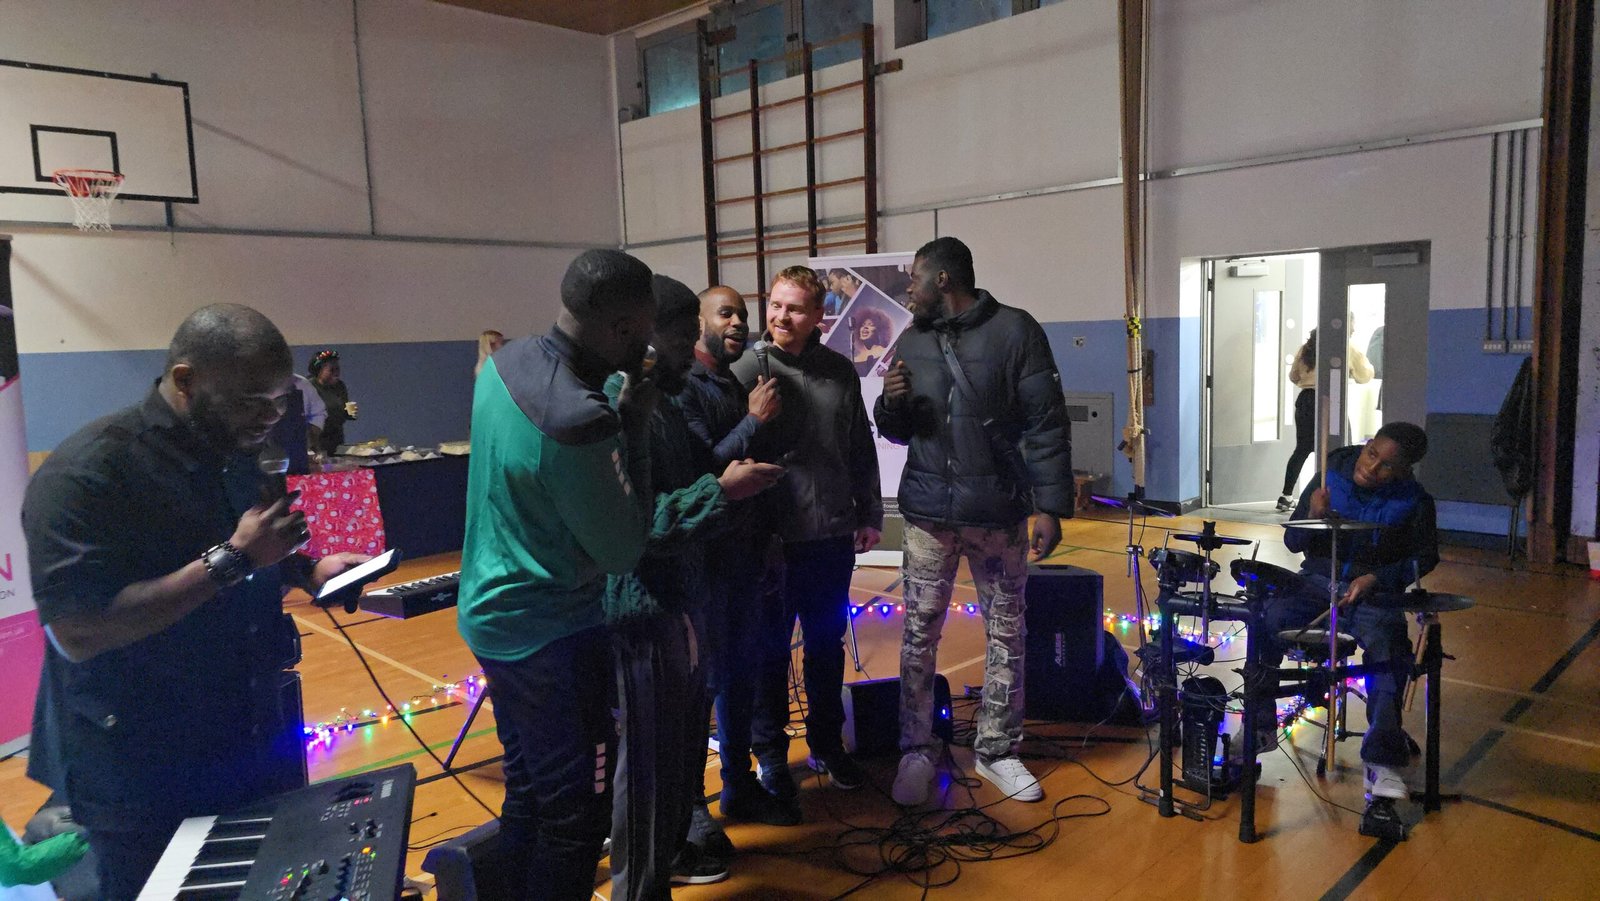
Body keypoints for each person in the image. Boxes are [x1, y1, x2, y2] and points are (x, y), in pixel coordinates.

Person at [21, 304, 369, 899]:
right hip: (141, 766)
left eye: (279, 401)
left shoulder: (235, 451)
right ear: (185, 380)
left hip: (249, 736)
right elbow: (78, 630)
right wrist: (234, 560)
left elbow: (251, 551)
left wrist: (308, 569)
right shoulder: (89, 471)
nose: (270, 417)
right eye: (251, 401)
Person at [456, 249, 659, 900]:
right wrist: (633, 427)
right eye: (646, 330)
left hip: (491, 614)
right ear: (622, 329)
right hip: (552, 637)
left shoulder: (505, 362)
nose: (651, 344)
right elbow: (624, 548)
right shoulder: (579, 417)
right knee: (578, 818)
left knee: (530, 794)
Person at [873, 237, 1074, 807]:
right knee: (918, 635)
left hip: (998, 514)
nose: (907, 290)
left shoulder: (1016, 331)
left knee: (1007, 634)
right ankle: (916, 749)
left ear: (942, 280)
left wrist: (1050, 507)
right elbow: (897, 431)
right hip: (927, 516)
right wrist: (891, 403)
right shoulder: (913, 339)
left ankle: (999, 751)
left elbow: (1047, 423)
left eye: (914, 278)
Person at [603, 276, 782, 898]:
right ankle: (640, 883)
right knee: (647, 768)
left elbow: (688, 479)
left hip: (683, 599)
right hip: (645, 608)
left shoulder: (664, 400)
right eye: (683, 338)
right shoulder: (621, 407)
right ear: (645, 334)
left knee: (677, 752)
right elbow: (635, 524)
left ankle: (670, 854)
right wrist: (722, 492)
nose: (692, 350)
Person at [731, 267, 882, 805]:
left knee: (824, 646)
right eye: (775, 305)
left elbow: (859, 445)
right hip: (771, 542)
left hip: (831, 538)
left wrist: (869, 511)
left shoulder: (839, 371)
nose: (781, 316)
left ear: (819, 315)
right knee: (769, 652)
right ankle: (771, 754)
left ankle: (826, 744)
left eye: (794, 308)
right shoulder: (745, 370)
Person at [1269, 421, 1438, 828]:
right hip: (1316, 583)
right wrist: (1312, 514)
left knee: (1388, 652)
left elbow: (1425, 558)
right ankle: (1258, 727)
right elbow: (1292, 541)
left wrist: (1377, 577)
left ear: (1405, 471)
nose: (1371, 468)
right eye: (1371, 454)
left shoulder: (1415, 501)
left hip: (1372, 596)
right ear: (1366, 445)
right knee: (1266, 619)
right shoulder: (1329, 474)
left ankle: (1382, 763)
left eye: (1386, 466)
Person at [678, 285, 795, 831]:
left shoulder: (731, 381)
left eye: (743, 314)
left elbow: (751, 471)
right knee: (702, 685)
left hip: (745, 555)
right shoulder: (685, 387)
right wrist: (753, 420)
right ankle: (691, 809)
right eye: (725, 313)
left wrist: (768, 538)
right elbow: (704, 471)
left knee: (740, 677)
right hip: (704, 561)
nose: (738, 323)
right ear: (698, 321)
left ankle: (738, 786)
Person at [1278, 329, 1374, 511]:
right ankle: (1340, 495)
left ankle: (1286, 495)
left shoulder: (1305, 349)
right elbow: (1365, 375)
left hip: (1306, 400)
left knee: (1302, 449)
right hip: (1331, 400)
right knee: (1341, 449)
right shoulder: (1346, 347)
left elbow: (1293, 376)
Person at [308, 349, 358, 456]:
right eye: (332, 370)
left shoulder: (340, 386)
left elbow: (343, 411)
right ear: (319, 371)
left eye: (338, 369)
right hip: (317, 442)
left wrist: (349, 413)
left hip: (337, 441)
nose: (336, 373)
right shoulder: (309, 387)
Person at [849, 307, 893, 375]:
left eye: (871, 325)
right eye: (863, 325)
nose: (865, 327)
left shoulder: (887, 352)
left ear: (880, 330)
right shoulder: (853, 359)